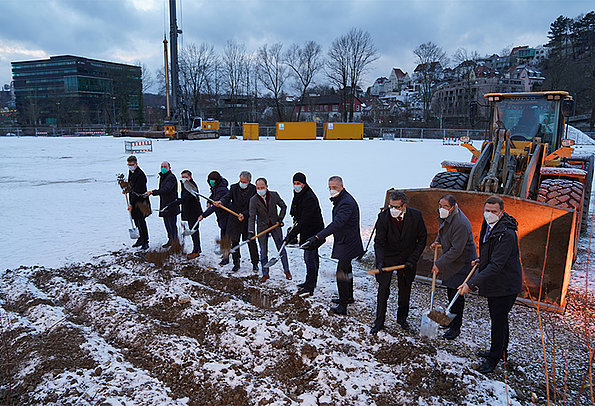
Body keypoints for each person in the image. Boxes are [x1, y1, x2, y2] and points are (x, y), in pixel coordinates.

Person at [458, 195, 522, 374]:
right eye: (487, 210)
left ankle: (493, 360)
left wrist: (471, 284)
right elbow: (490, 252)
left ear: (501, 212)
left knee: (498, 321)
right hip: (496, 281)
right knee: (500, 319)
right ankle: (501, 352)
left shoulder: (506, 234)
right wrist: (481, 260)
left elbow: (497, 265)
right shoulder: (488, 224)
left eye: (494, 211)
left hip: (505, 284)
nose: (489, 214)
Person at [302, 176, 364, 315]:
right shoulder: (342, 199)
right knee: (347, 270)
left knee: (341, 273)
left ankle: (343, 306)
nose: (332, 190)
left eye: (335, 187)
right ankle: (348, 297)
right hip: (347, 239)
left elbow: (337, 223)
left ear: (341, 186)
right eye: (329, 187)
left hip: (347, 242)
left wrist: (318, 236)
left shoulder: (346, 202)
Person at [371, 190, 427, 333]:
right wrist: (380, 261)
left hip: (407, 259)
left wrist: (412, 259)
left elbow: (422, 240)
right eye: (391, 206)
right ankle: (379, 321)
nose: (393, 210)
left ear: (404, 206)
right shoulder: (383, 217)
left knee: (405, 289)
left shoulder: (416, 216)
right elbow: (379, 242)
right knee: (383, 290)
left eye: (396, 207)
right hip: (388, 258)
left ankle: (402, 318)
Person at [431, 194, 477, 340]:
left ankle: (455, 328)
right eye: (440, 205)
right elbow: (443, 231)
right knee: (450, 292)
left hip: (462, 262)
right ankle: (449, 320)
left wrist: (438, 264)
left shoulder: (461, 224)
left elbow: (457, 250)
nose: (442, 209)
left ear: (453, 207)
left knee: (457, 295)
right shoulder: (446, 217)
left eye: (445, 206)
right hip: (452, 260)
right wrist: (438, 241)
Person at [284, 172, 324, 297]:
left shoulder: (309, 198)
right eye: (294, 183)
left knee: (309, 258)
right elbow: (297, 211)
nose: (296, 186)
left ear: (304, 184)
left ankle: (309, 288)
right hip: (306, 229)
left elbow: (304, 221)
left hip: (313, 231)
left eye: (298, 184)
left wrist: (291, 235)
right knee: (312, 258)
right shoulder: (299, 193)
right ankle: (310, 282)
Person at [215, 171, 259, 272]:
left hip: (247, 220)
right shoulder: (234, 187)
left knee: (251, 241)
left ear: (249, 181)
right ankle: (236, 262)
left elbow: (253, 207)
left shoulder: (253, 190)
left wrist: (244, 214)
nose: (242, 183)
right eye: (241, 181)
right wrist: (221, 201)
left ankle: (255, 263)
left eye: (244, 181)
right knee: (235, 241)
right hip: (234, 219)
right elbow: (227, 197)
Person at [248, 177, 291, 282]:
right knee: (263, 251)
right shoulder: (253, 200)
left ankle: (287, 270)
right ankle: (265, 273)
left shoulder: (274, 195)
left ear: (267, 187)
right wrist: (251, 232)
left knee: (281, 248)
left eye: (262, 187)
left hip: (275, 225)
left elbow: (283, 206)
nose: (260, 189)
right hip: (262, 227)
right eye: (258, 188)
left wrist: (280, 218)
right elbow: (252, 217)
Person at [199, 171, 230, 265]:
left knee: (226, 237)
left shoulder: (222, 189)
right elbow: (213, 196)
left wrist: (203, 215)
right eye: (210, 180)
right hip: (221, 215)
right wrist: (209, 200)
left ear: (217, 180)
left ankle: (226, 257)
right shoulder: (216, 187)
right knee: (223, 235)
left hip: (226, 215)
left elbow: (215, 206)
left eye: (213, 180)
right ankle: (225, 254)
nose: (211, 182)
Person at [146, 161, 179, 248]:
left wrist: (153, 192)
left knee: (172, 224)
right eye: (161, 166)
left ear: (169, 168)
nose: (163, 168)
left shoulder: (171, 177)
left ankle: (175, 242)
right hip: (164, 204)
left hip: (171, 204)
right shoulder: (163, 176)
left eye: (165, 166)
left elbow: (166, 189)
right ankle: (170, 240)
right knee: (167, 223)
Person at [177, 170, 203, 259]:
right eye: (182, 177)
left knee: (194, 231)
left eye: (185, 177)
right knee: (194, 231)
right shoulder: (184, 185)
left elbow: (186, 198)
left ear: (190, 177)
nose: (184, 178)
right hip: (189, 211)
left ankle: (196, 251)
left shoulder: (191, 186)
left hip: (194, 212)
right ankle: (198, 248)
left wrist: (175, 202)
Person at [126, 155, 151, 250]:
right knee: (136, 220)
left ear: (136, 164)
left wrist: (131, 204)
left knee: (141, 221)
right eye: (128, 165)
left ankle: (145, 241)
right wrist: (126, 189)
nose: (130, 166)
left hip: (141, 202)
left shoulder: (140, 175)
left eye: (132, 165)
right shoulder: (131, 172)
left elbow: (137, 191)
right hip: (133, 200)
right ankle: (140, 239)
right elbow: (130, 186)